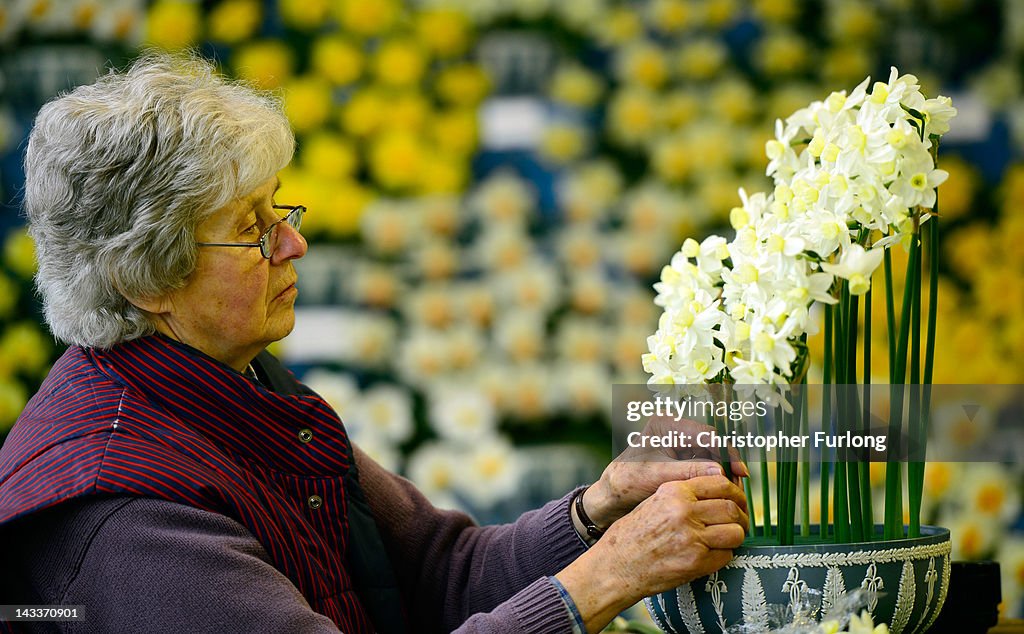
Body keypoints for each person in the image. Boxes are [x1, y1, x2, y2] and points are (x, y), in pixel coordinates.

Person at [0, 52, 749, 634]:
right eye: (251, 230)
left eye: (278, 210)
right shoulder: (126, 512)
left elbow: (442, 573)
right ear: (146, 281)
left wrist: (599, 508)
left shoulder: (237, 387)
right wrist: (606, 578)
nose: (292, 244)